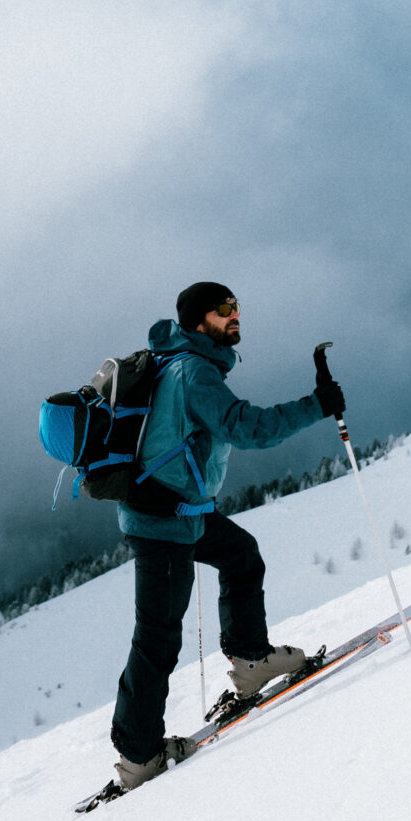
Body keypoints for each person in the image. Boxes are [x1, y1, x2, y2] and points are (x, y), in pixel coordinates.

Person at [105, 280, 346, 794]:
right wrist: (317, 405)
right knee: (157, 640)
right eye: (223, 309)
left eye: (237, 306)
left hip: (182, 513)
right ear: (198, 321)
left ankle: (252, 663)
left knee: (241, 556)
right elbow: (247, 427)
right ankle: (139, 756)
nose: (235, 315)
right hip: (164, 525)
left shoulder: (179, 360)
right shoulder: (194, 372)